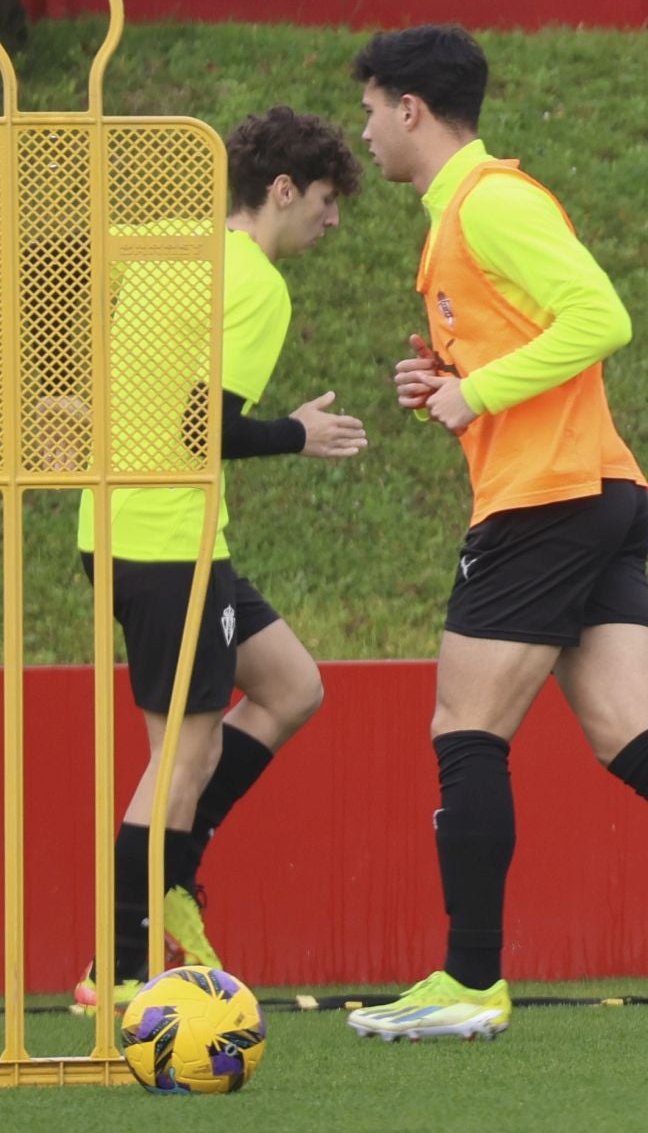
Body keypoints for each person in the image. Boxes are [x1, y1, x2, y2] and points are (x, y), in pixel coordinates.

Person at [342, 25, 648, 1042]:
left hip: (546, 503)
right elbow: (536, 347)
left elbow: (599, 317)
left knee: (465, 732)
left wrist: (474, 388)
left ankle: (470, 979)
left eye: (368, 109)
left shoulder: (492, 203)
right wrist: (449, 382)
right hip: (590, 491)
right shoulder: (459, 219)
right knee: (636, 739)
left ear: (409, 109)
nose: (363, 132)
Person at [74, 106, 368, 1008]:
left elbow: (66, 266)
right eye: (323, 200)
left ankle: (172, 876)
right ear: (282, 190)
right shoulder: (255, 282)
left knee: (291, 685)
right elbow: (209, 430)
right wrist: (301, 433)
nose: (332, 220)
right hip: (167, 543)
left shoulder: (167, 239)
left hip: (129, 531)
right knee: (181, 763)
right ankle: (116, 965)